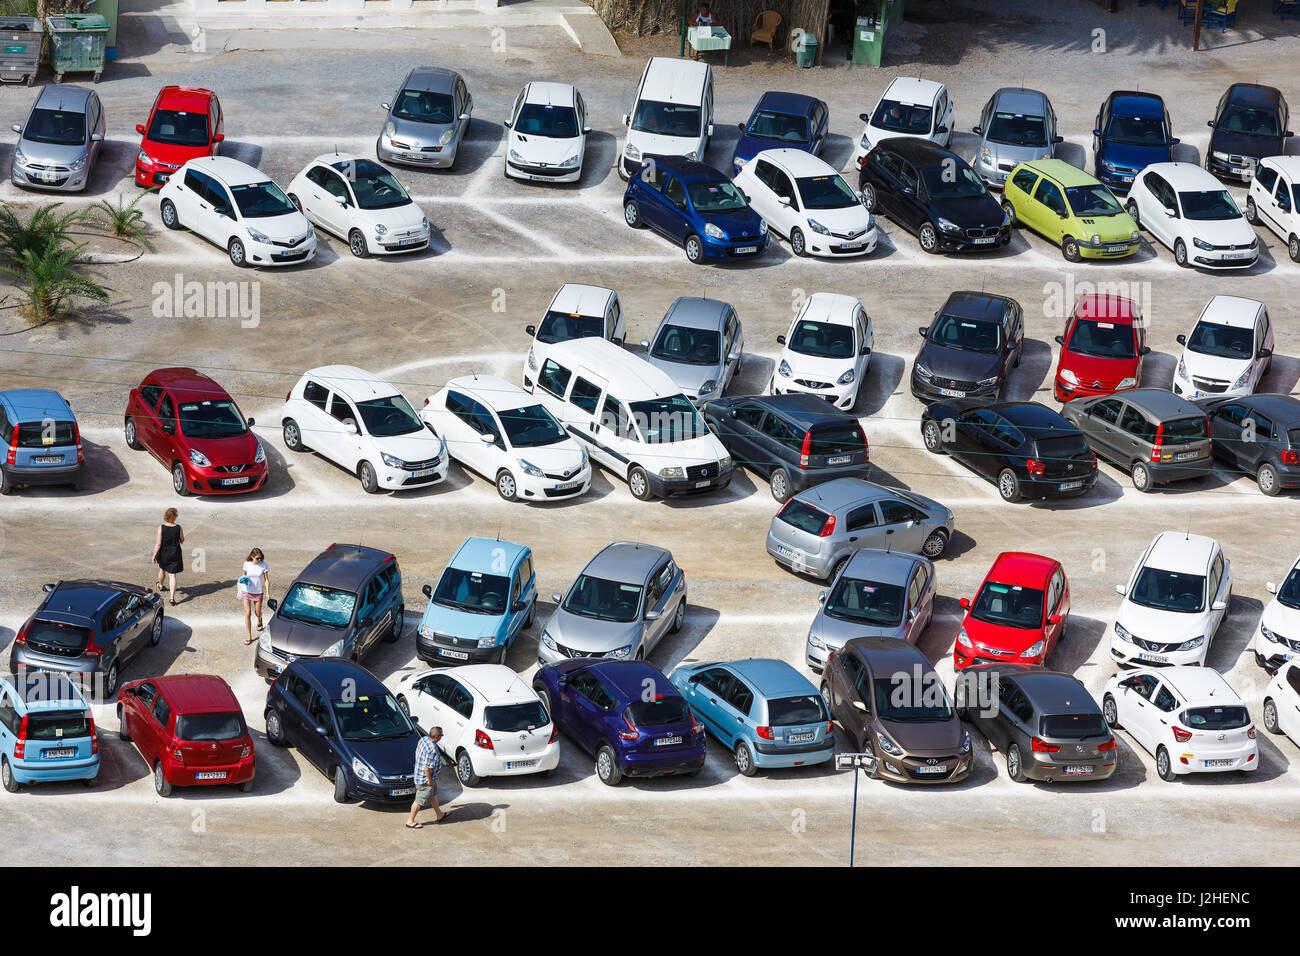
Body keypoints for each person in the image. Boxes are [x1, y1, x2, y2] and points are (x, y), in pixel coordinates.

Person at [407, 726, 450, 829]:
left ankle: (439, 815)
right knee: (419, 801)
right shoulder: (432, 750)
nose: (442, 737)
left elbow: (417, 753)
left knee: (433, 795)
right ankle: (410, 821)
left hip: (422, 774)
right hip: (425, 779)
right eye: (441, 735)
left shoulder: (423, 739)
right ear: (437, 737)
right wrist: (429, 780)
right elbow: (427, 768)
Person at [239, 548, 270, 646]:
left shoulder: (263, 565)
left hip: (258, 592)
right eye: (257, 558)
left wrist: (268, 593)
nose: (259, 560)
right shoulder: (246, 564)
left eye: (261, 558)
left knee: (257, 613)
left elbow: (266, 580)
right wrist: (243, 582)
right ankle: (249, 636)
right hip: (247, 591)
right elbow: (242, 577)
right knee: (248, 613)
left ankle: (259, 620)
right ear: (252, 557)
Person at [152, 508, 184, 606]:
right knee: (172, 576)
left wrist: (154, 556)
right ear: (175, 517)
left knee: (162, 570)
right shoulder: (178, 527)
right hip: (175, 553)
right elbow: (182, 540)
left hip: (163, 553)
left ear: (166, 516)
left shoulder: (161, 528)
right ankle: (171, 598)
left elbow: (158, 544)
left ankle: (160, 585)